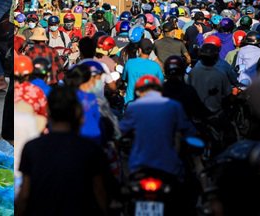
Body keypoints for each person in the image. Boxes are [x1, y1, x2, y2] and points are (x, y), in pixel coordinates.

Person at [16, 85, 110, 216]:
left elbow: (24, 194)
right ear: (78, 113)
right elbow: (99, 192)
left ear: (49, 111)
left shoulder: (32, 147)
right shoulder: (90, 149)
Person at [120, 75, 196, 179]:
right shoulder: (174, 105)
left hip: (139, 166)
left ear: (138, 92)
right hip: (169, 166)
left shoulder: (133, 107)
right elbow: (189, 131)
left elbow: (120, 132)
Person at [188, 43, 231, 114]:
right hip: (215, 113)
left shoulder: (193, 72)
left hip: (197, 113)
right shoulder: (220, 73)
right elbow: (227, 93)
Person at [122, 39, 164, 105]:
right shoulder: (155, 66)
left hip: (130, 102)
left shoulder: (129, 63)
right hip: (148, 103)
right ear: (150, 52)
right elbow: (161, 82)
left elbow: (124, 78)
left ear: (140, 50)